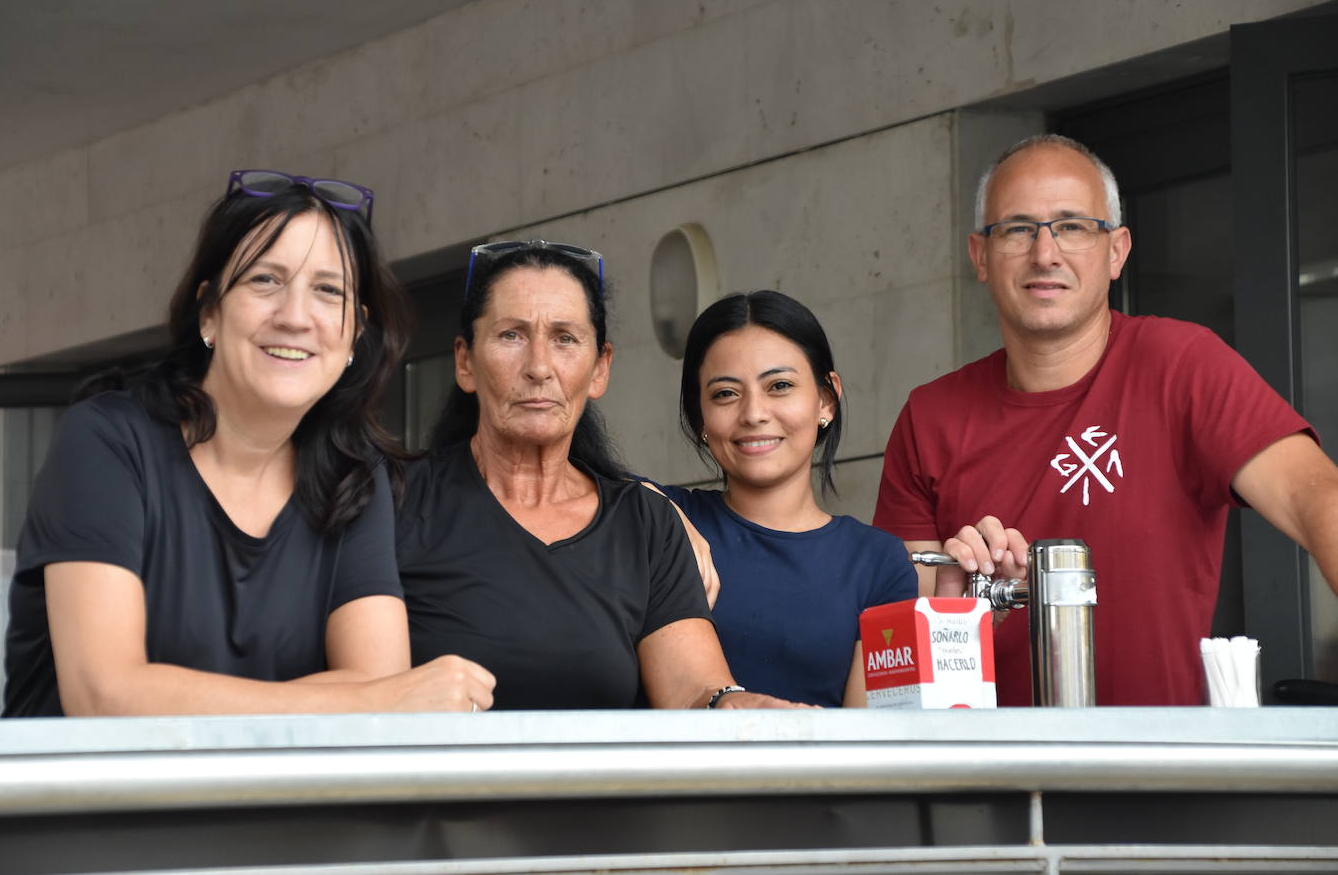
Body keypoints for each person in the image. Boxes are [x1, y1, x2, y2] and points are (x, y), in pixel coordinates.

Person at [3, 169, 495, 717]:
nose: (295, 316)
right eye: (265, 280)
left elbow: (379, 688)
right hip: (91, 803)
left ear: (355, 332)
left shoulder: (352, 477)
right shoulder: (108, 442)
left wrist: (368, 696)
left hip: (269, 806)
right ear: (210, 310)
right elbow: (104, 696)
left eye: (328, 290)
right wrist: (362, 699)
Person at [873, 134, 1338, 706]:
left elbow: (1318, 499)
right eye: (1018, 229)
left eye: (1072, 226)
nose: (1045, 253)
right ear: (979, 257)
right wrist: (968, 608)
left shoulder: (1182, 364)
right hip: (983, 771)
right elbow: (896, 651)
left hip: (1158, 770)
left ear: (1117, 250)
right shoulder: (930, 415)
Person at [395, 240, 804, 710]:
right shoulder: (395, 501)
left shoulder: (644, 522)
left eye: (566, 338)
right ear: (465, 362)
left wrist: (741, 708)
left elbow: (696, 691)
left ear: (599, 369)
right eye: (511, 335)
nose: (539, 368)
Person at [648, 291, 916, 707]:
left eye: (780, 386)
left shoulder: (878, 561)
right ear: (700, 415)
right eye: (725, 393)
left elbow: (870, 743)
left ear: (826, 399)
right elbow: (575, 477)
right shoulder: (657, 523)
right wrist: (658, 508)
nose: (754, 413)